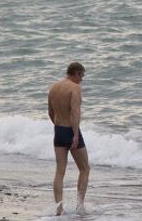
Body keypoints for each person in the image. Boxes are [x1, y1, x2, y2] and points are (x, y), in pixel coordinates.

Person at [48, 62, 90, 215]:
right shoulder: (75, 88)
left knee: (60, 171)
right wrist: (75, 135)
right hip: (71, 132)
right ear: (76, 73)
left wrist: (59, 128)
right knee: (85, 168)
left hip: (58, 130)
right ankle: (80, 206)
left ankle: (58, 209)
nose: (82, 79)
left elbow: (50, 112)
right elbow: (75, 112)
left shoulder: (53, 87)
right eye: (82, 76)